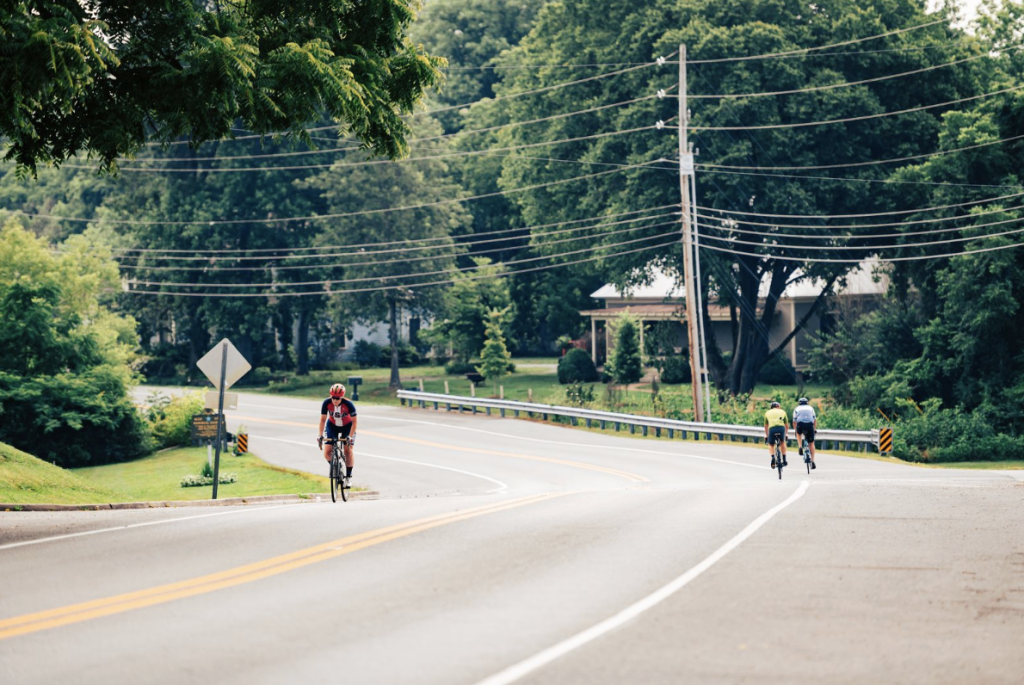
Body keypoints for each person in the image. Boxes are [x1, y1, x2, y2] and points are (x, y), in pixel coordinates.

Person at [317, 383, 358, 485]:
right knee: (327, 452)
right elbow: (322, 420)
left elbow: (354, 422)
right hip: (332, 426)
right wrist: (320, 435)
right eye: (333, 397)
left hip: (347, 427)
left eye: (338, 398)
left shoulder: (349, 404)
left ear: (342, 397)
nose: (335, 400)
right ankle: (336, 467)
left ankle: (348, 477)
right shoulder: (326, 403)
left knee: (348, 451)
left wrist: (350, 436)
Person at [792, 397, 817, 469]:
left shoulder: (796, 409)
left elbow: (794, 421)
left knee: (798, 433)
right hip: (809, 425)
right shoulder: (811, 408)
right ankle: (812, 461)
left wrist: (795, 430)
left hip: (800, 424)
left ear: (799, 403)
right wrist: (814, 429)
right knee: (811, 443)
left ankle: (800, 446)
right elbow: (815, 420)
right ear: (807, 403)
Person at [764, 401, 789, 468]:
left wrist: (766, 435)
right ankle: (784, 459)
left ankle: (773, 457)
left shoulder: (767, 412)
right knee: (782, 442)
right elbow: (786, 425)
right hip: (781, 428)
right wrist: (786, 434)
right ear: (778, 406)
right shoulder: (782, 411)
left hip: (772, 429)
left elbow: (766, 426)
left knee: (771, 444)